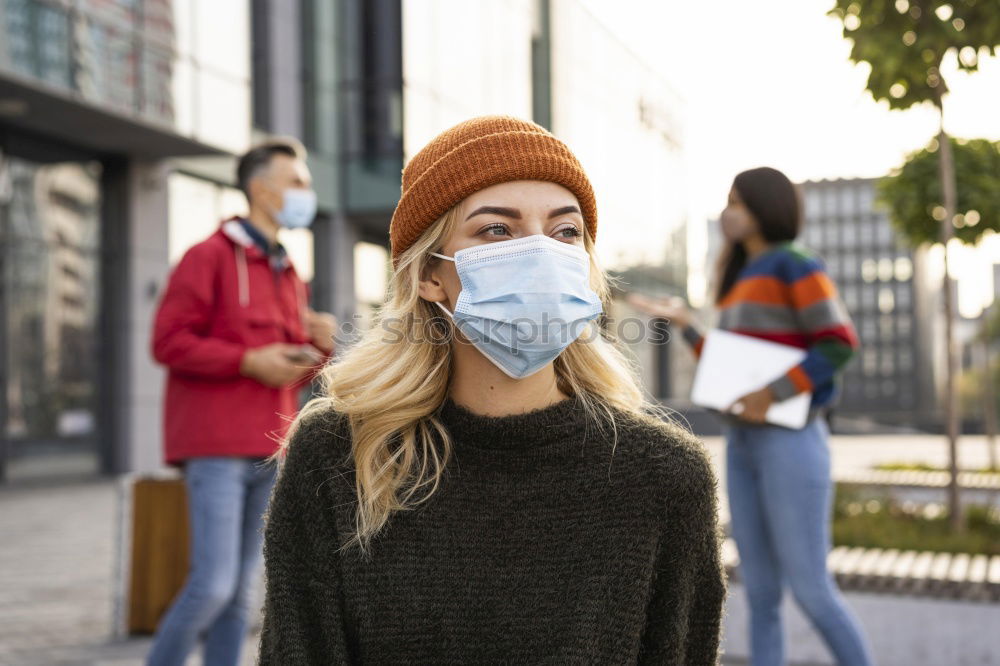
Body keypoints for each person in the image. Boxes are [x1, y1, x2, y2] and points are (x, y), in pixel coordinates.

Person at [257, 116, 726, 664]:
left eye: (566, 232)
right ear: (431, 275)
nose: (541, 255)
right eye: (497, 230)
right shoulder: (339, 455)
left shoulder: (664, 476)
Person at [630, 167, 874, 666]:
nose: (728, 212)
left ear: (765, 208)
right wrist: (687, 325)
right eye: (727, 201)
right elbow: (729, 367)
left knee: (811, 590)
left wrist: (772, 393)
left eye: (737, 202)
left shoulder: (795, 264)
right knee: (759, 595)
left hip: (791, 442)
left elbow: (837, 343)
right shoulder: (739, 280)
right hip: (742, 446)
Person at [147, 138, 336, 666]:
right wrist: (247, 360)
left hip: (270, 447)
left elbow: (296, 371)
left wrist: (320, 343)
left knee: (240, 597)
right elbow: (167, 342)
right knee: (211, 587)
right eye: (297, 181)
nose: (306, 193)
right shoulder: (207, 256)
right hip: (216, 448)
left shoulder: (288, 271)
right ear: (261, 189)